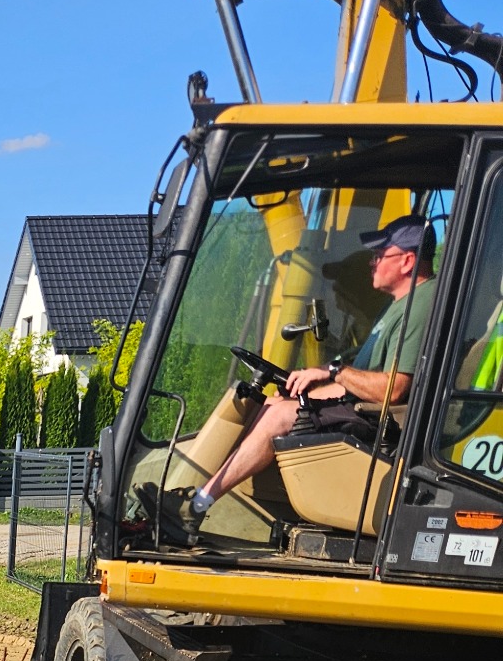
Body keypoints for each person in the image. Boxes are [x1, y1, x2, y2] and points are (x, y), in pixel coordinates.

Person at [185, 214, 437, 527]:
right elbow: (356, 384)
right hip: (365, 409)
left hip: (384, 423)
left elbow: (393, 390)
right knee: (274, 404)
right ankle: (202, 495)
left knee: (279, 416)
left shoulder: (421, 304)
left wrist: (334, 370)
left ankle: (197, 505)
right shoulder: (398, 306)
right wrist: (305, 392)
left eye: (379, 255)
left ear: (407, 261)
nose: (372, 263)